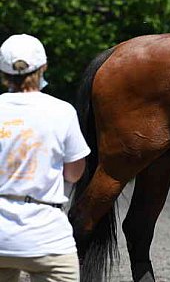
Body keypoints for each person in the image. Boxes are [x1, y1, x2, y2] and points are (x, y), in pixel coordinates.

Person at [0, 34, 90, 282]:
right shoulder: (62, 111)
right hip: (46, 235)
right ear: (43, 67)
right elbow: (74, 173)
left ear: (3, 72)